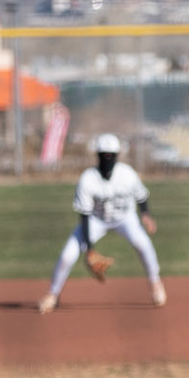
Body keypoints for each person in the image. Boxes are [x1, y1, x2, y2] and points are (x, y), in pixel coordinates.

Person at [37, 133, 166, 313]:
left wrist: (146, 214)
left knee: (142, 243)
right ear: (97, 155)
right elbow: (84, 215)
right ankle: (53, 293)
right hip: (95, 220)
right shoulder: (88, 179)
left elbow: (141, 196)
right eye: (104, 155)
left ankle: (155, 282)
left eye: (111, 155)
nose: (107, 158)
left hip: (125, 218)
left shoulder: (127, 174)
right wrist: (90, 249)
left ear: (117, 155)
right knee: (67, 255)